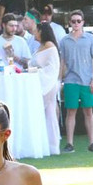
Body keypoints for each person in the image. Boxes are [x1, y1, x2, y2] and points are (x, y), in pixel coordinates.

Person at [59, 9, 93, 153]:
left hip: (87, 79)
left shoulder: (90, 38)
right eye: (73, 21)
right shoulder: (64, 40)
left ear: (83, 22)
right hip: (71, 80)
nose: (76, 23)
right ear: (69, 23)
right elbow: (62, 61)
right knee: (71, 111)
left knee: (89, 111)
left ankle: (92, 142)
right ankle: (69, 143)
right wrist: (60, 80)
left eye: (78, 21)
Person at [33, 22, 61, 157]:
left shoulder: (49, 46)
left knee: (49, 114)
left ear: (41, 31)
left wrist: (35, 72)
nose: (34, 33)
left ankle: (52, 144)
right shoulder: (41, 46)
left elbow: (52, 68)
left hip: (47, 84)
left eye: (36, 30)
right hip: (41, 83)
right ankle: (45, 144)